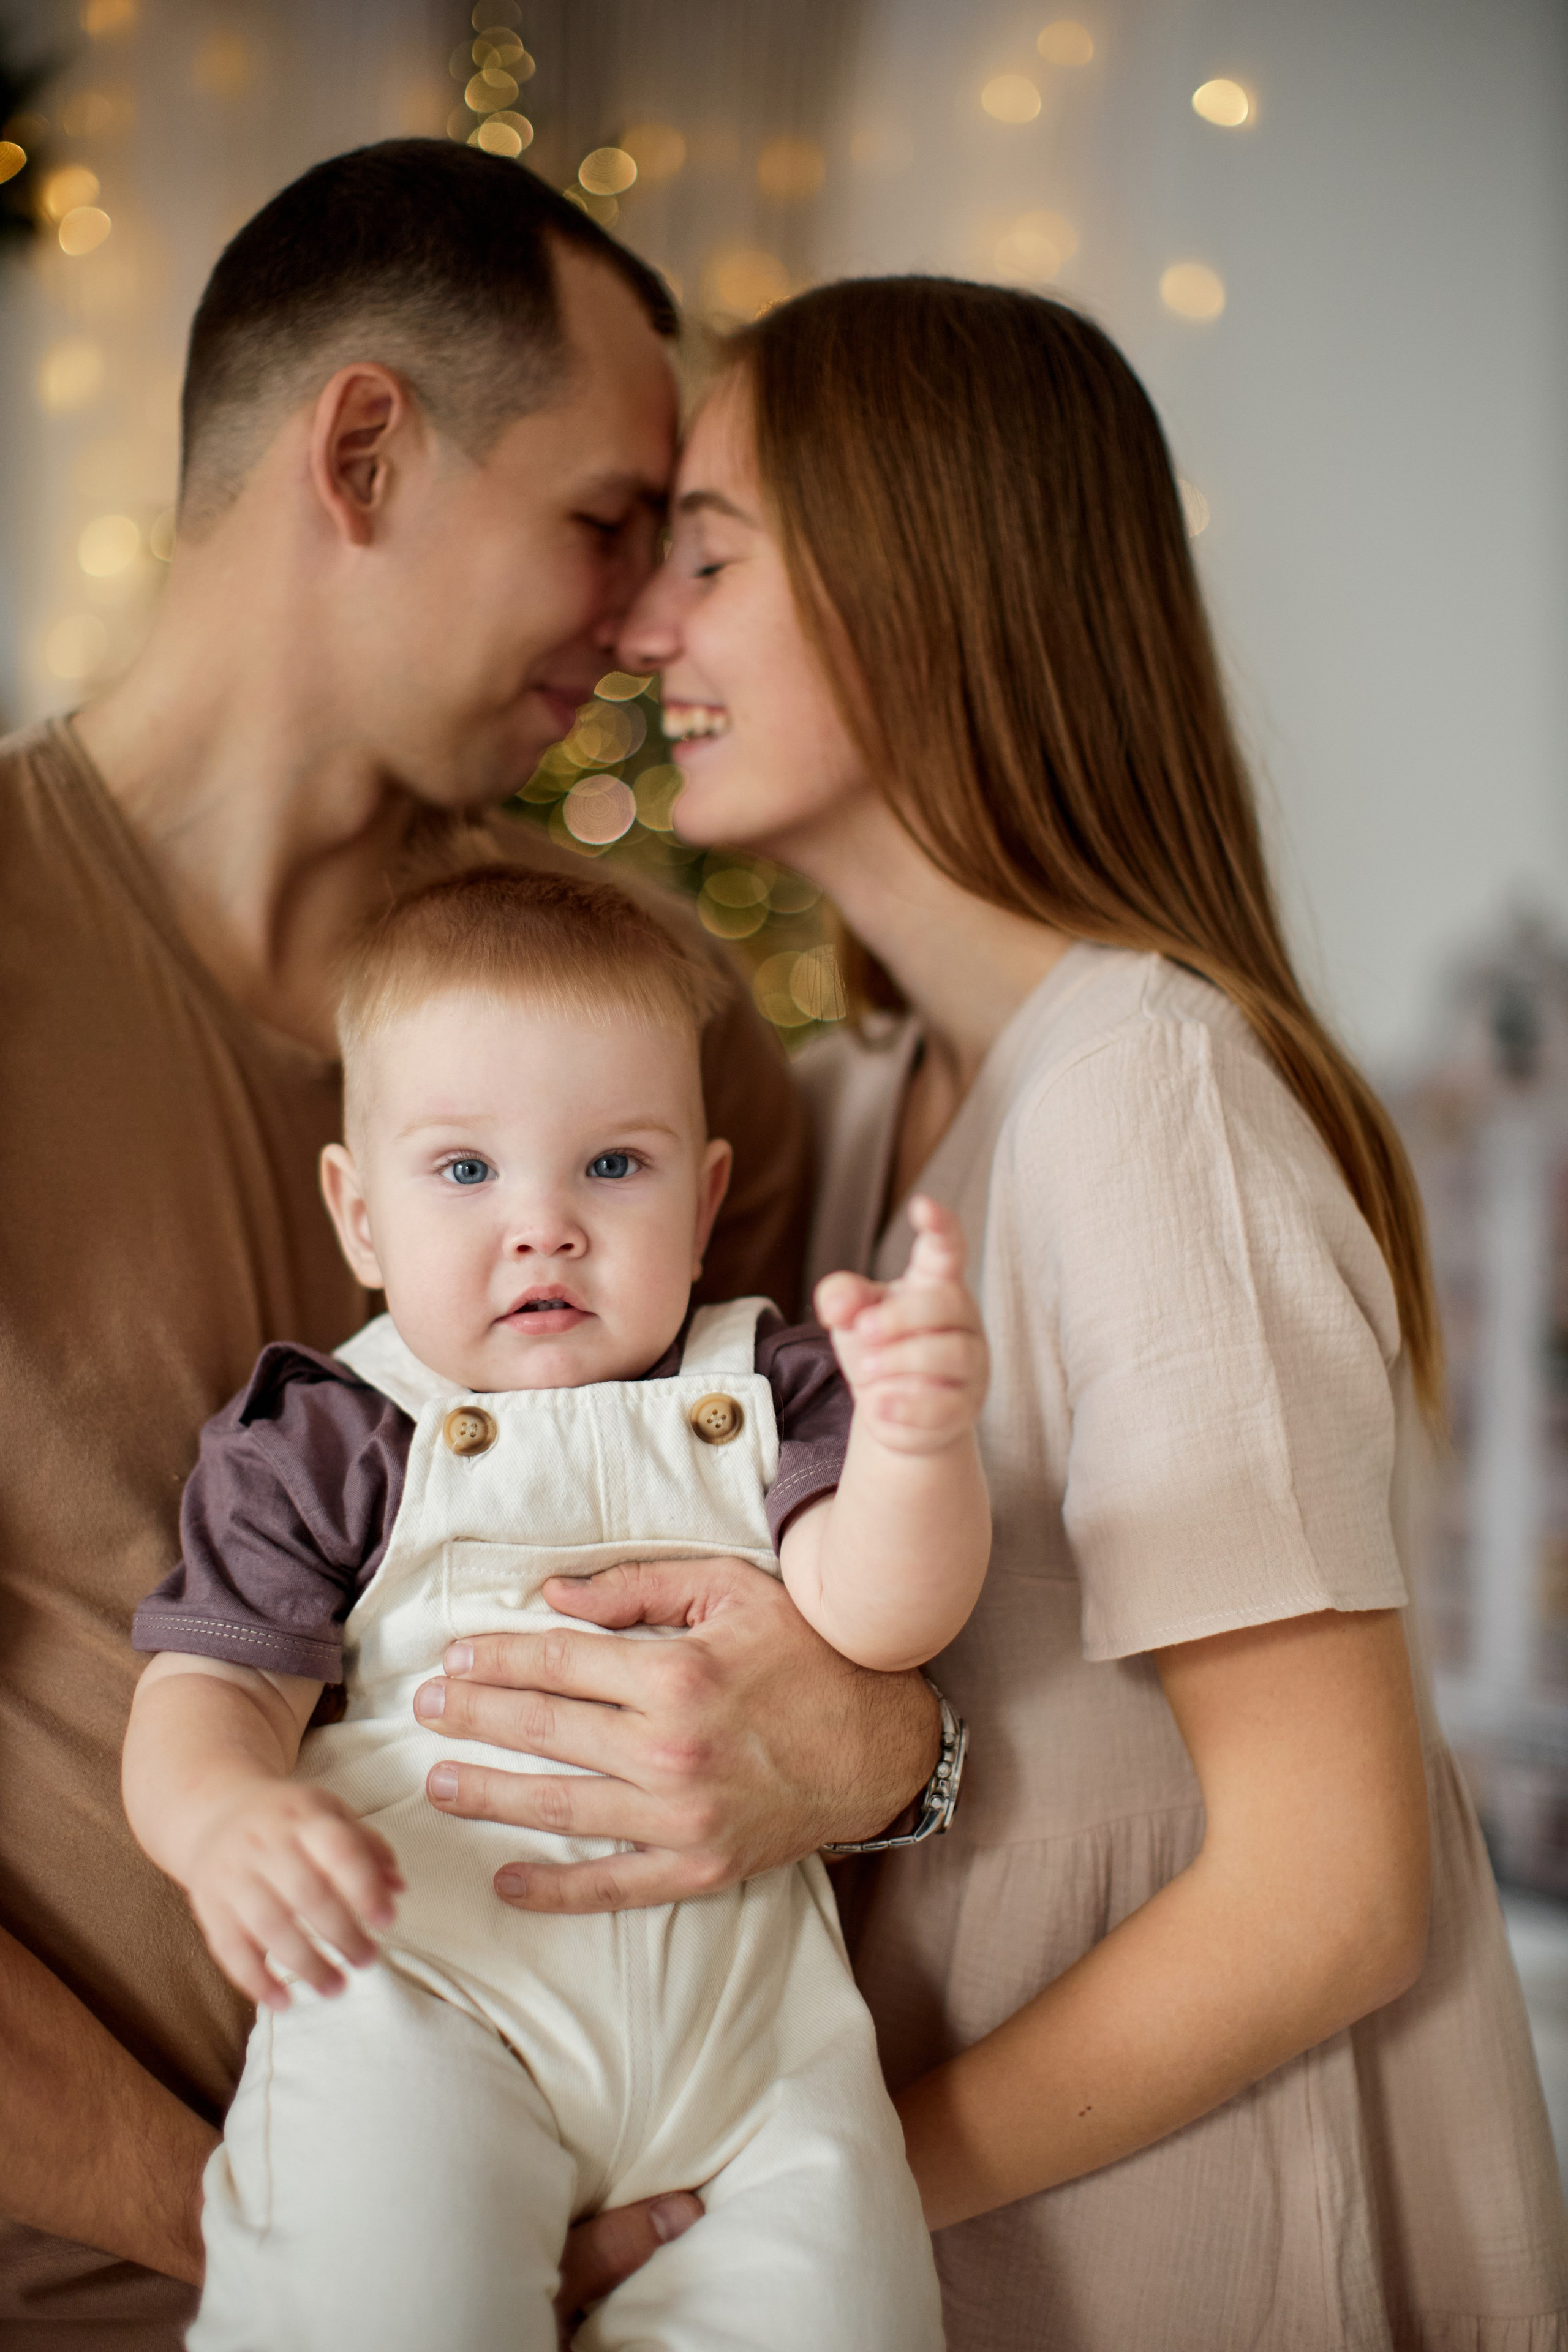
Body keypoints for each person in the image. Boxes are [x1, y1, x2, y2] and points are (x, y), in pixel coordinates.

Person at [537, 274, 1564, 2346]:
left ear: (926, 583)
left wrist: (806, 2201)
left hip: (1167, 2232)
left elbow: (1328, 1889)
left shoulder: (1143, 1094)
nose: (647, 635)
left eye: (710, 564)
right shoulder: (859, 1104)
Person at [0, 148, 941, 2346]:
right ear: (364, 449)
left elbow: (839, 1631)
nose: (644, 621)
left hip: (664, 2233)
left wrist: (890, 1748)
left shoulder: (652, 1024)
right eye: (610, 519)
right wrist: (278, 2229)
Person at [121, 864, 981, 2352]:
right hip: (427, 1998)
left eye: (611, 1167)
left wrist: (916, 1444)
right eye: (464, 1172)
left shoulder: (765, 1390)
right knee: (375, 2310)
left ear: (704, 1200)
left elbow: (880, 1618)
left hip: (754, 2064)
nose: (544, 1228)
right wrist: (220, 1823)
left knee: (850, 2318)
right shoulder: (330, 1435)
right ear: (360, 1214)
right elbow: (205, 1694)